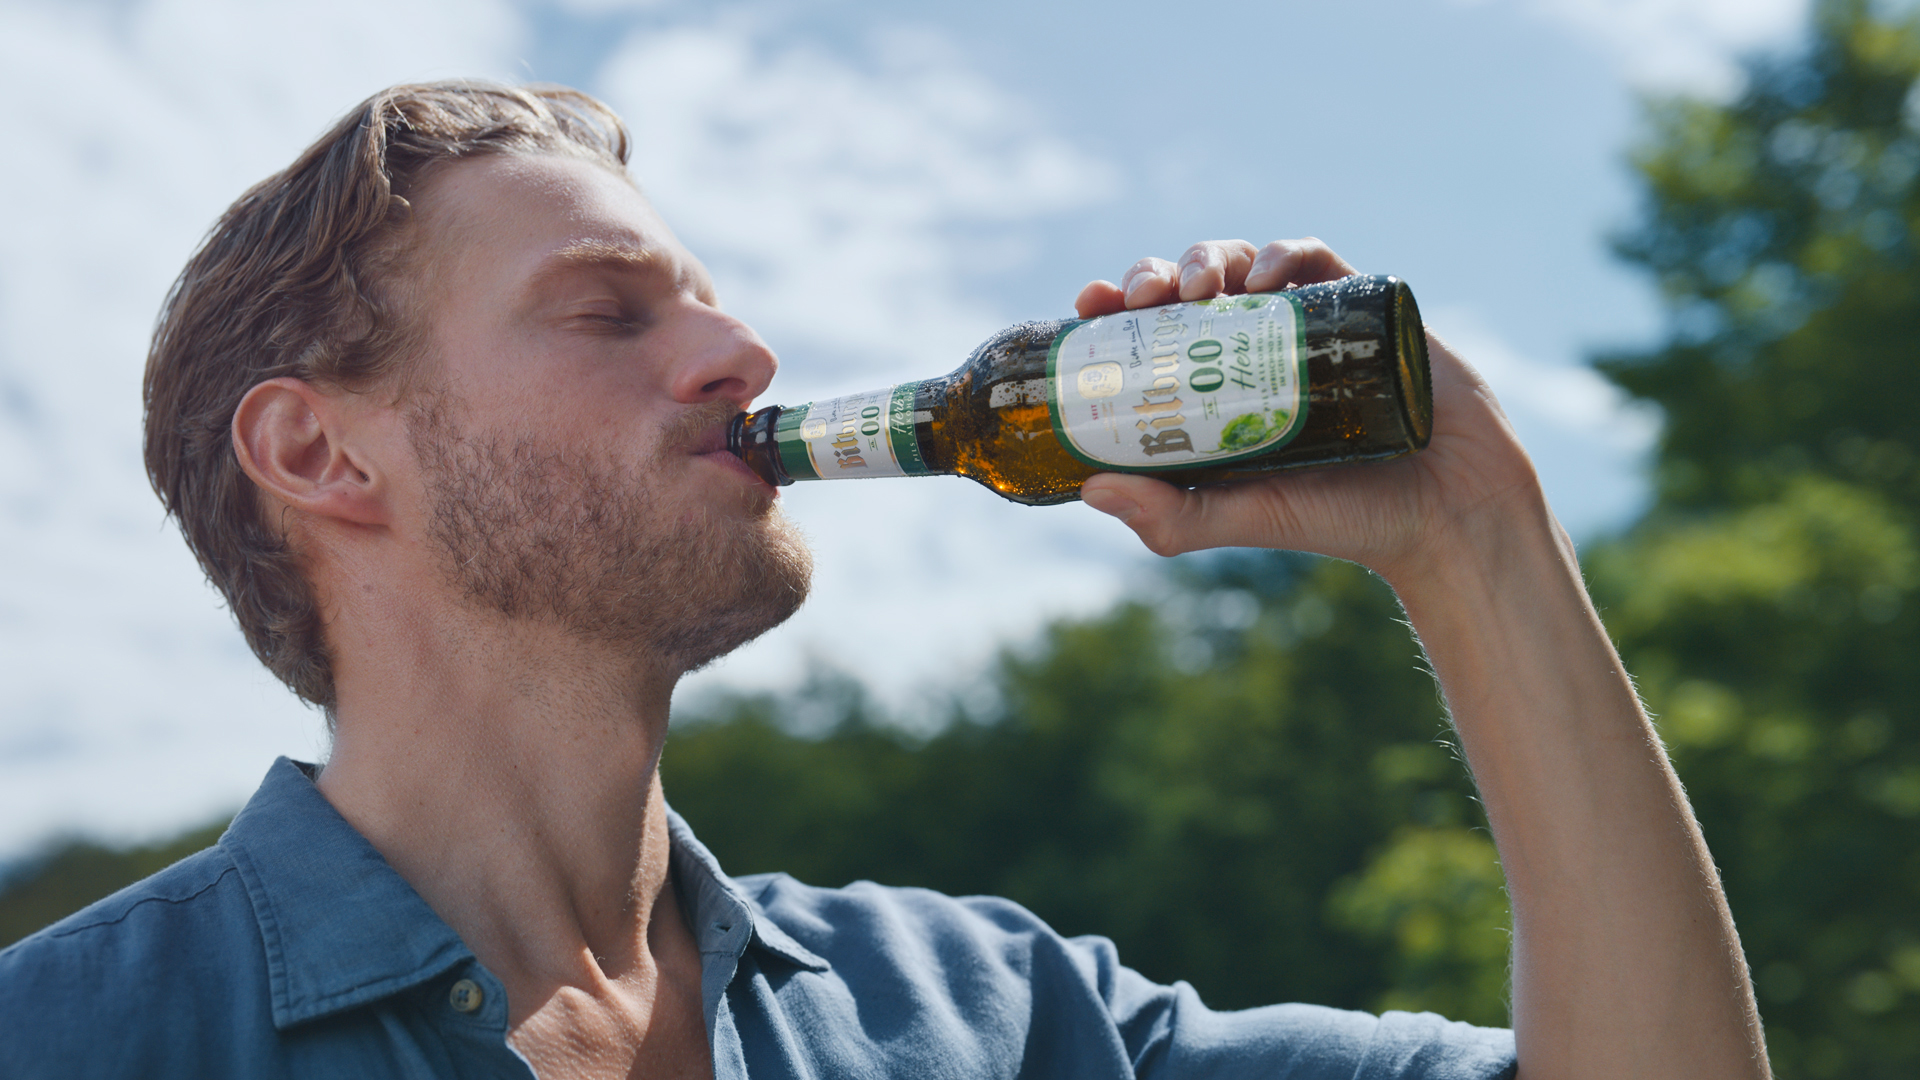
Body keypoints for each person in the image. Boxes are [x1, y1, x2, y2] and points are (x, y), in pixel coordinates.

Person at [0, 81, 1768, 1079]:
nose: (744, 356)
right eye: (608, 314)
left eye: (713, 306)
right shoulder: (77, 1037)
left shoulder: (983, 1012)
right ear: (322, 456)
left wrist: (1475, 537)